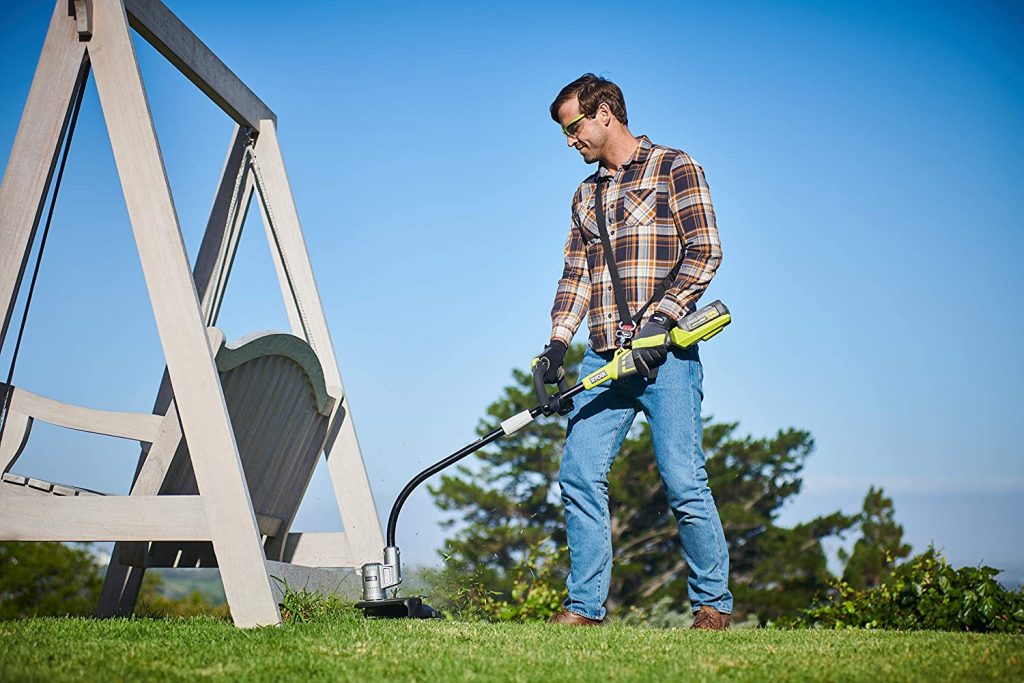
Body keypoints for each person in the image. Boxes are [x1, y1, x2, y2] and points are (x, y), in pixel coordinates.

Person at [538, 74, 732, 629]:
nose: (568, 140)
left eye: (572, 127)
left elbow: (706, 251)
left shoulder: (675, 167)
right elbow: (575, 276)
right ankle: (584, 608)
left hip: (666, 358)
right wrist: (555, 345)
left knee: (682, 478)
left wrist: (659, 321)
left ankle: (713, 605)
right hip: (605, 360)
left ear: (604, 114)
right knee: (578, 472)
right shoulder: (585, 195)